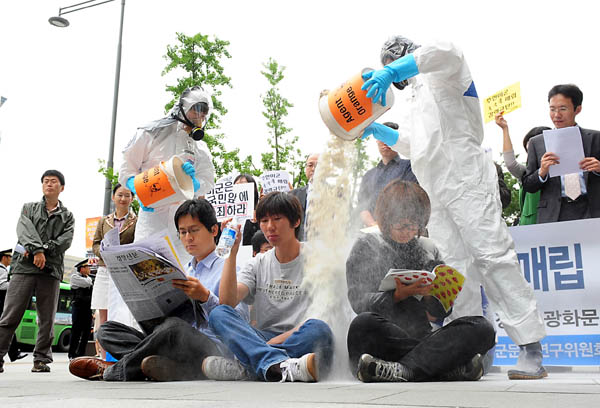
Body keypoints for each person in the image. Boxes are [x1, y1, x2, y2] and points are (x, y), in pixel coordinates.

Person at [360, 36, 546, 379]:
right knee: (453, 271)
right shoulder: (414, 99)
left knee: (493, 257)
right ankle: (470, 349)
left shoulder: (446, 68)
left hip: (468, 178)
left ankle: (530, 345)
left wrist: (392, 71)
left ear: (408, 56)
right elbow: (413, 144)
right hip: (437, 188)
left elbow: (443, 52)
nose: (395, 74)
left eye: (395, 64)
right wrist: (377, 129)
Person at [68, 198, 248, 381]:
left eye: (194, 230)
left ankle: (115, 370)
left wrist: (205, 297)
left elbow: (237, 321)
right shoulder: (185, 269)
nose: (188, 238)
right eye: (183, 232)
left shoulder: (229, 269)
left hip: (207, 347)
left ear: (214, 230)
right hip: (169, 341)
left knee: (174, 328)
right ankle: (167, 366)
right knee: (107, 331)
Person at [346, 180, 495, 382]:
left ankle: (402, 370)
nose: (408, 231)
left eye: (414, 225)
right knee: (362, 324)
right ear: (386, 219)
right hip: (385, 337)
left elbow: (439, 313)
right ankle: (440, 368)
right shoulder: (366, 246)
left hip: (421, 336)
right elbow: (358, 302)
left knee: (482, 328)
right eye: (401, 225)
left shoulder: (426, 249)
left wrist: (433, 295)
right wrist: (397, 295)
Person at [203, 192, 334, 382]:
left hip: (299, 336)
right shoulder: (257, 263)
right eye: (264, 221)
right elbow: (227, 302)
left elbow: (322, 314)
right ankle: (279, 365)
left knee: (319, 329)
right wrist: (231, 253)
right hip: (263, 338)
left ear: (296, 221)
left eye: (277, 219)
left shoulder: (317, 259)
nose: (270, 227)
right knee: (218, 314)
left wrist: (271, 344)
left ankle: (250, 367)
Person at [115, 86, 216, 328]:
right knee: (146, 277)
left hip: (183, 226)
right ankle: (140, 336)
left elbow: (208, 180)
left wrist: (195, 183)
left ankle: (178, 336)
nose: (199, 116)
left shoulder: (199, 148)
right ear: (183, 108)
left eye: (204, 111)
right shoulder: (152, 133)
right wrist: (137, 186)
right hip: (152, 219)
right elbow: (126, 168)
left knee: (181, 280)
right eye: (196, 109)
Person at [0, 170, 74, 374]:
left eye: (54, 181)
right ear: (42, 185)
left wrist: (44, 251)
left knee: (47, 318)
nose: (49, 184)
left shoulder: (67, 216)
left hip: (50, 270)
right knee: (10, 315)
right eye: (46, 181)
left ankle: (41, 359)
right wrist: (37, 251)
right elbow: (24, 231)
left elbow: (65, 240)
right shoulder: (29, 208)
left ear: (62, 188)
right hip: (23, 268)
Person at [522, 84, 600, 223]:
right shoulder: (537, 143)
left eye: (563, 109)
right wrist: (542, 172)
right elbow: (528, 185)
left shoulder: (595, 138)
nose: (557, 115)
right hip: (553, 214)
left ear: (577, 109)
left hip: (591, 210)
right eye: (552, 109)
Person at [91, 183, 137, 359]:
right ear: (113, 197)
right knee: (103, 314)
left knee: (123, 313)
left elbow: (139, 243)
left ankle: (121, 356)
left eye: (127, 195)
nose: (123, 199)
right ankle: (104, 358)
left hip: (124, 271)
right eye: (119, 195)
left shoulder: (137, 221)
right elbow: (95, 243)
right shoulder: (104, 221)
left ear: (132, 199)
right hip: (105, 270)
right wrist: (102, 251)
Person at [495, 112, 551, 225]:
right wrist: (505, 129)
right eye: (529, 151)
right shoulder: (527, 173)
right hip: (532, 229)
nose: (532, 155)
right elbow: (511, 164)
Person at [357, 123, 417, 227]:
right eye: (381, 138)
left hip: (402, 230)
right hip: (371, 231)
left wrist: (392, 228)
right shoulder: (368, 175)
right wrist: (373, 225)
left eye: (388, 137)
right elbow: (362, 206)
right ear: (377, 141)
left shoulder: (410, 167)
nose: (385, 142)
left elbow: (412, 201)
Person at [0, 249, 27, 363]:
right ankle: (14, 353)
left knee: (8, 326)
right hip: (1, 302)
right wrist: (15, 284)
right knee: (8, 326)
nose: (11, 259)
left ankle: (14, 353)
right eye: (9, 257)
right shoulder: (2, 270)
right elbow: (2, 285)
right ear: (4, 258)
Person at [290, 153, 320, 240]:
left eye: (318, 165)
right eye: (310, 165)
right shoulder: (292, 195)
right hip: (298, 244)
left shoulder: (336, 194)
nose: (313, 169)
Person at [69, 259, 93, 360]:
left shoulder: (88, 278)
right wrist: (89, 280)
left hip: (87, 308)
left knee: (87, 332)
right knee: (76, 331)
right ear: (82, 268)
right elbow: (87, 283)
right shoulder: (74, 277)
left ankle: (81, 353)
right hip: (78, 307)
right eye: (87, 267)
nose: (89, 269)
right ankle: (72, 354)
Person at [233, 174, 260, 246]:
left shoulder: (260, 211)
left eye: (242, 184)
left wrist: (254, 223)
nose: (239, 187)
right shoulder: (228, 215)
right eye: (236, 185)